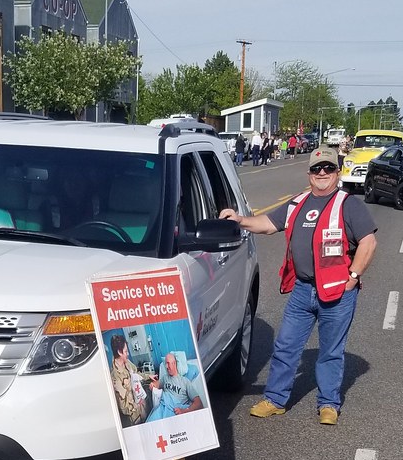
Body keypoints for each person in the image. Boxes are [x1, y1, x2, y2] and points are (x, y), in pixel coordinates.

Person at [219, 147, 377, 424]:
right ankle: (275, 399)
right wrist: (241, 220)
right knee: (285, 346)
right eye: (317, 169)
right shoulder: (298, 203)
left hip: (337, 292)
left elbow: (368, 242)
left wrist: (352, 277)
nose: (322, 174)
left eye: (328, 168)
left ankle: (328, 404)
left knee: (330, 351)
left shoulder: (348, 204)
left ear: (337, 172)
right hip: (303, 290)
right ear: (309, 174)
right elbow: (268, 224)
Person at [146, 352, 205, 421]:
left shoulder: (185, 381)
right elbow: (157, 384)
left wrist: (184, 411)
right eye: (165, 364)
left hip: (176, 410)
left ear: (174, 363)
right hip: (162, 408)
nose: (166, 367)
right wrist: (153, 385)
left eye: (168, 363)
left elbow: (198, 403)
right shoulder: (165, 378)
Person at [110, 334, 148, 427]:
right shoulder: (115, 377)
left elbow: (136, 374)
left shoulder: (127, 363)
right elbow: (124, 408)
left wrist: (148, 376)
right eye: (126, 351)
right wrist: (137, 405)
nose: (128, 354)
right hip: (133, 418)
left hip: (142, 409)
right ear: (119, 352)